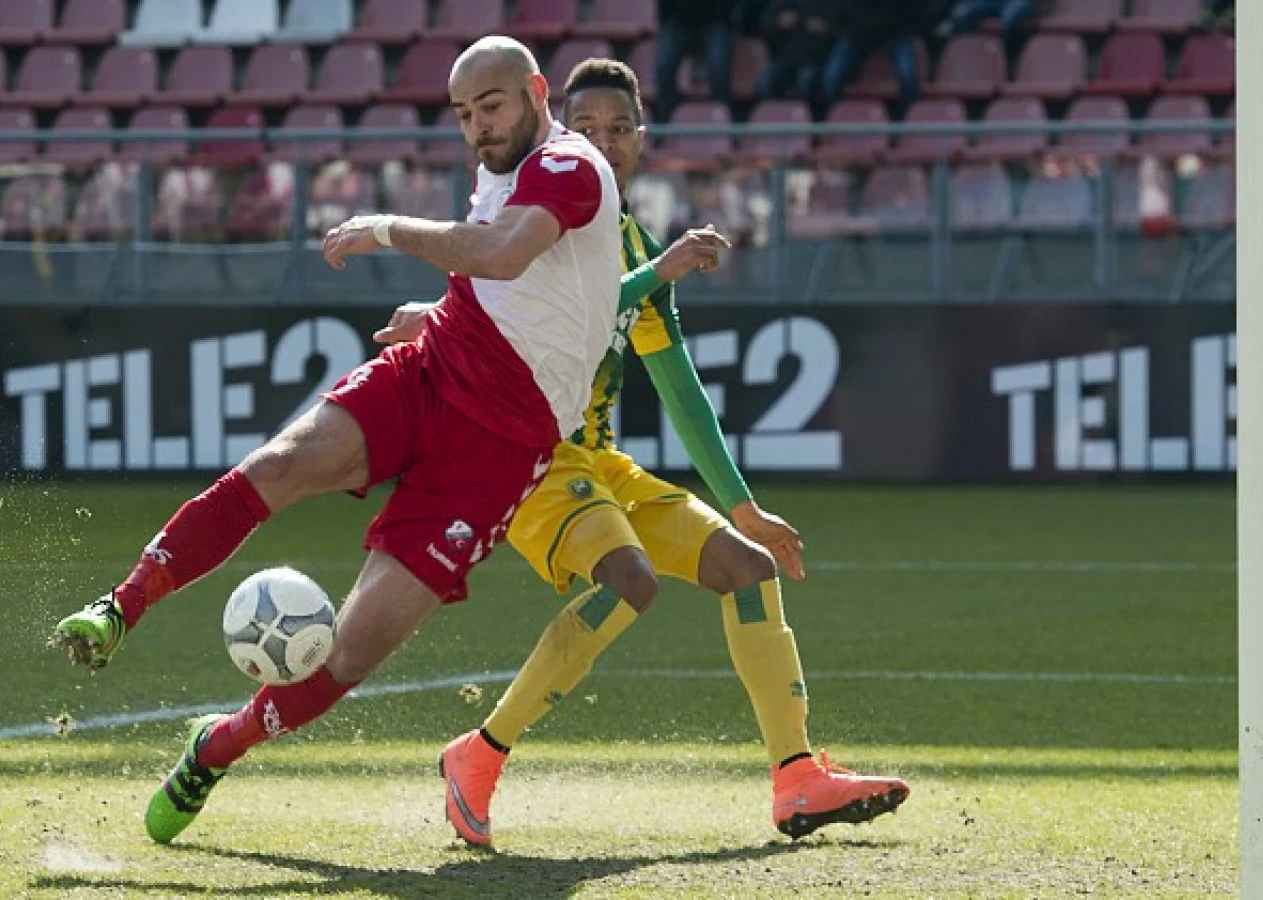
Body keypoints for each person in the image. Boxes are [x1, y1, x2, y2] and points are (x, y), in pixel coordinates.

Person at [47, 36, 648, 845]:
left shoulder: (569, 166)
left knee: (351, 652)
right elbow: (539, 298)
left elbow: (504, 256)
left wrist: (388, 228)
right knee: (279, 466)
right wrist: (438, 314)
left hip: (500, 448)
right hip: (432, 373)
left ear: (538, 91)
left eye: (493, 106)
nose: (478, 127)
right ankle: (120, 606)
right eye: (464, 115)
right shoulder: (503, 165)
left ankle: (213, 748)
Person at [379, 58, 909, 847]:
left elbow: (679, 385)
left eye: (619, 129)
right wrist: (654, 274)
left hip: (597, 463)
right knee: (628, 579)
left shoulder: (629, 239)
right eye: (586, 127)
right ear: (557, 127)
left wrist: (742, 505)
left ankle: (797, 777)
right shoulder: (535, 210)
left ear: (641, 140)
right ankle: (479, 755)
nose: (604, 142)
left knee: (746, 568)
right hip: (529, 459)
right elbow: (551, 297)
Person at [655, 0, 737, 123]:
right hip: (677, 17)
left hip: (716, 18)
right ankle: (664, 123)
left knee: (719, 68)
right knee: (664, 66)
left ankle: (725, 120)